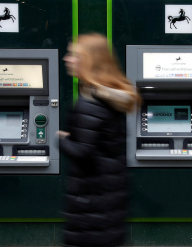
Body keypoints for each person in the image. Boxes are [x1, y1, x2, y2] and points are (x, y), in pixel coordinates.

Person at [57, 33, 141, 247]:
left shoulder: (90, 101)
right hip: (109, 196)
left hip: (91, 202)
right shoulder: (108, 96)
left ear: (89, 60)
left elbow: (82, 152)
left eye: (74, 55)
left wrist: (60, 138)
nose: (67, 59)